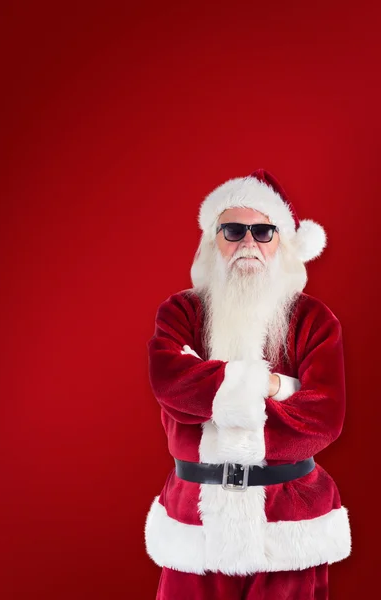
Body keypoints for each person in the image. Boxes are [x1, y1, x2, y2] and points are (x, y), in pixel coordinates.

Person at [144, 169, 351, 599]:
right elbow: (170, 383)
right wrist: (281, 387)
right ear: (213, 240)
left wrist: (225, 392)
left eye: (263, 231)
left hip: (288, 528)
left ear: (282, 242)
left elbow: (324, 418)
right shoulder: (180, 312)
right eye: (234, 230)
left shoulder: (314, 320)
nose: (248, 244)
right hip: (195, 525)